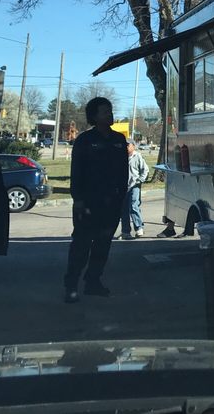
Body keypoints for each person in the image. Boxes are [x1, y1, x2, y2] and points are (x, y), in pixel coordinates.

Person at [63, 97, 128, 303]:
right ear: (94, 117)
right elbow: (77, 172)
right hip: (88, 203)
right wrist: (78, 200)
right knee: (81, 245)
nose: (110, 114)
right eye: (105, 112)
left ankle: (93, 282)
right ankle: (71, 285)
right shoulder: (84, 140)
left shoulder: (118, 139)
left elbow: (123, 172)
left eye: (110, 110)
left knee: (103, 245)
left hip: (111, 204)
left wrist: (121, 196)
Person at [119, 139, 149, 239]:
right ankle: (125, 231)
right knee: (124, 209)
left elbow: (145, 170)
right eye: (125, 145)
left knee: (133, 205)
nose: (126, 147)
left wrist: (140, 180)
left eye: (128, 145)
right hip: (123, 187)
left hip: (134, 186)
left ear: (133, 146)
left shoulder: (137, 156)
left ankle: (139, 227)